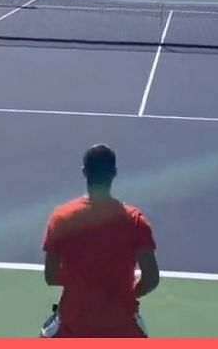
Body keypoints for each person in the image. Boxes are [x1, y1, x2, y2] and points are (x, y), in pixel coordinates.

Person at [42, 144, 159, 338]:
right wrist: (128, 292)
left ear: (84, 172)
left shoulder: (61, 217)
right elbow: (151, 279)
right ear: (114, 173)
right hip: (122, 327)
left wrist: (82, 281)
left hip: (73, 326)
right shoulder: (136, 221)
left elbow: (51, 276)